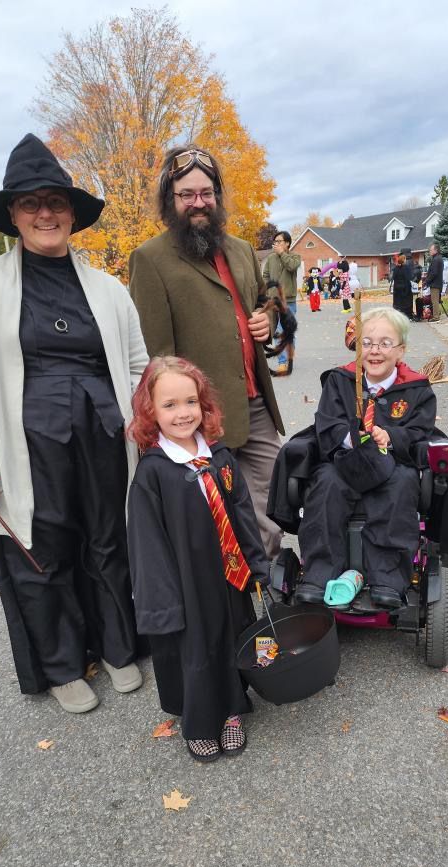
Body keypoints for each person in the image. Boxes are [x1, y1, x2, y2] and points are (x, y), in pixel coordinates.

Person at [0, 134, 149, 713]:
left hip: (105, 435)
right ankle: (62, 664)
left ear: (70, 214)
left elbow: (137, 366)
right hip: (27, 442)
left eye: (55, 202)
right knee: (41, 548)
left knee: (111, 540)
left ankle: (117, 646)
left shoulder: (108, 288)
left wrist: (157, 428)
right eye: (31, 203)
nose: (45, 213)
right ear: (13, 214)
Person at [128, 147, 284, 560]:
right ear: (170, 199)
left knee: (273, 499)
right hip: (203, 415)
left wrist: (266, 322)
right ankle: (233, 596)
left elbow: (265, 301)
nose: (198, 203)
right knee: (220, 512)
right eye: (187, 195)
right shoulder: (150, 260)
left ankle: (264, 585)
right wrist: (174, 421)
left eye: (206, 193)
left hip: (254, 403)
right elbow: (155, 357)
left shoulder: (241, 250)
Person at [126, 356, 269, 762]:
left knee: (233, 639)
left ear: (203, 405)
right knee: (195, 651)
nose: (182, 413)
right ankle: (200, 722)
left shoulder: (220, 458)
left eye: (190, 402)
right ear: (150, 410)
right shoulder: (153, 473)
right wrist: (162, 603)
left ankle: (232, 711)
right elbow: (146, 543)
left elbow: (241, 513)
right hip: (185, 584)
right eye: (169, 405)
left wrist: (257, 566)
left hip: (229, 577)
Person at [294, 307, 436, 610]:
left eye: (385, 343)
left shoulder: (416, 389)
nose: (375, 351)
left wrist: (392, 438)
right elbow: (327, 422)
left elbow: (420, 431)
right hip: (347, 461)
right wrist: (353, 437)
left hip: (393, 464)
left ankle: (387, 576)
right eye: (367, 342)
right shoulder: (341, 381)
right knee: (326, 483)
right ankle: (320, 572)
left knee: (400, 485)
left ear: (400, 349)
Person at [262, 230, 301, 376]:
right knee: (281, 332)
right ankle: (288, 354)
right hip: (273, 301)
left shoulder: (295, 257)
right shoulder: (271, 258)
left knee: (281, 331)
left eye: (279, 241)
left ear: (287, 243)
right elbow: (265, 275)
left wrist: (282, 254)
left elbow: (291, 266)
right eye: (275, 242)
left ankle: (283, 362)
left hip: (288, 301)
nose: (276, 244)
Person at [390, 253, 413, 319]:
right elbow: (409, 278)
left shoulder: (396, 268)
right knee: (406, 302)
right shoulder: (406, 268)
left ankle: (398, 315)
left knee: (398, 302)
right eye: (405, 259)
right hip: (405, 288)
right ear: (404, 260)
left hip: (397, 288)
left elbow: (393, 278)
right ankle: (407, 315)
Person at [424, 243, 444, 321]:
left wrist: (427, 281)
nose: (430, 251)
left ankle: (436, 317)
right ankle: (436, 314)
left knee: (434, 301)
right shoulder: (438, 258)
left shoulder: (436, 259)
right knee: (435, 300)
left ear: (436, 250)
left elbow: (434, 272)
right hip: (437, 283)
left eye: (431, 250)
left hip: (435, 283)